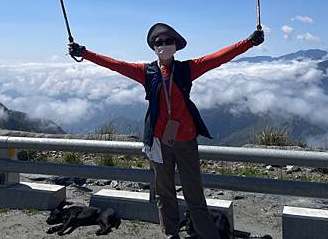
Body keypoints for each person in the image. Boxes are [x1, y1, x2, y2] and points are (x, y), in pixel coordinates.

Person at [68, 23, 264, 239]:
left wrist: (249, 42)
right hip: (159, 142)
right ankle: (171, 234)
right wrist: (84, 53)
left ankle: (208, 235)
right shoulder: (146, 72)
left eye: (167, 42)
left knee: (194, 194)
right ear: (153, 47)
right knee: (164, 191)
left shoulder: (187, 69)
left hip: (185, 140)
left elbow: (218, 57)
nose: (163, 45)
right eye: (158, 42)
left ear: (175, 46)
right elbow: (114, 64)